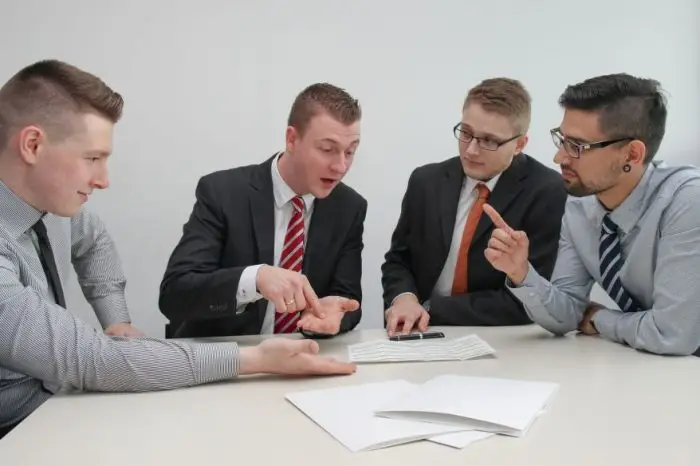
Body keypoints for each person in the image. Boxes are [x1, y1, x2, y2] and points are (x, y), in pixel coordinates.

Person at [0, 60, 356, 439]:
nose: (103, 180)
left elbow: (94, 243)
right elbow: (92, 359)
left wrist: (116, 320)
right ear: (33, 145)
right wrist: (252, 358)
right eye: (92, 158)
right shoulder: (223, 192)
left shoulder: (53, 207)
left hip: (60, 402)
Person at [484, 73, 700, 356]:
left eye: (577, 146)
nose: (559, 158)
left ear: (632, 155)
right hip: (654, 366)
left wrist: (600, 319)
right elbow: (566, 316)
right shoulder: (580, 205)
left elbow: (672, 335)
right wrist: (522, 273)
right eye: (561, 140)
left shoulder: (686, 202)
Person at [158, 83, 366, 339]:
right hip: (226, 361)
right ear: (292, 139)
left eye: (350, 151)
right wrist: (254, 279)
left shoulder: (349, 207)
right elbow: (175, 294)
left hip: (302, 360)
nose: (340, 166)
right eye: (327, 150)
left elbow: (348, 300)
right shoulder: (223, 193)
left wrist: (337, 315)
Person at [381, 77, 567, 335]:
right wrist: (403, 299)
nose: (471, 150)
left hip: (502, 338)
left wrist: (431, 308)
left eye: (489, 141)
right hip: (417, 333)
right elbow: (398, 260)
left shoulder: (547, 191)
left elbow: (530, 298)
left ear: (520, 144)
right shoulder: (426, 181)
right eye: (466, 133)